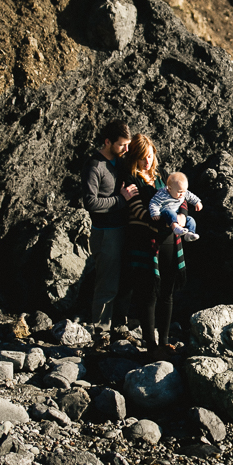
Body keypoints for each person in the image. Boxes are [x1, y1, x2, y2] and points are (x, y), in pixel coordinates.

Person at [121, 134, 187, 352]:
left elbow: (182, 197)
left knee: (167, 292)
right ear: (134, 159)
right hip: (146, 243)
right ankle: (150, 343)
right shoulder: (131, 180)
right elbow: (139, 211)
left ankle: (164, 340)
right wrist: (166, 219)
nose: (146, 162)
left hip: (170, 241)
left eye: (149, 156)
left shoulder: (163, 177)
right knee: (148, 292)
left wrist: (183, 217)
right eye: (141, 158)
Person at [81, 119, 137, 332]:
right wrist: (121, 200)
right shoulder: (94, 166)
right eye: (122, 144)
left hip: (124, 229)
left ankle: (119, 328)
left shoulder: (120, 161)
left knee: (124, 281)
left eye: (127, 144)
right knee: (107, 284)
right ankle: (101, 332)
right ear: (107, 141)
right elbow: (91, 203)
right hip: (106, 233)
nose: (126, 149)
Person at [148, 172, 202, 241]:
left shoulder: (183, 192)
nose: (182, 194)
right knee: (170, 212)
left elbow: (191, 196)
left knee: (191, 220)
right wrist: (155, 213)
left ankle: (190, 234)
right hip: (166, 214)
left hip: (177, 214)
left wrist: (197, 202)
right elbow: (154, 202)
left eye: (184, 191)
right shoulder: (162, 194)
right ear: (169, 189)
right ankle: (175, 227)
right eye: (179, 192)